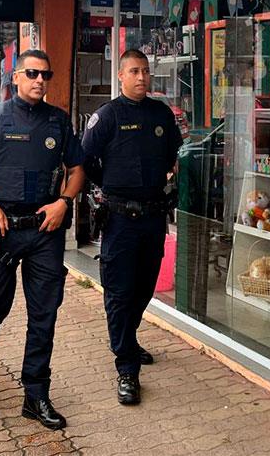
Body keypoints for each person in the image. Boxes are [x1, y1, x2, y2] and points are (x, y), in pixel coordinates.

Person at [0, 49, 85, 430]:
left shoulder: (59, 122)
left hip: (45, 231)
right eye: (32, 73)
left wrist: (65, 202)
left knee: (44, 314)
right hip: (3, 230)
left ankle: (36, 395)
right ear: (16, 77)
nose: (39, 81)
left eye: (45, 75)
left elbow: (77, 169)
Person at [81, 49, 183, 405]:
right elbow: (84, 159)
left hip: (154, 217)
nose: (141, 77)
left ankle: (129, 339)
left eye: (145, 71)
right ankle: (126, 367)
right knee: (120, 291)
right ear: (121, 76)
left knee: (143, 287)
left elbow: (174, 155)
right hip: (121, 219)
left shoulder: (161, 114)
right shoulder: (106, 117)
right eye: (134, 71)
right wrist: (108, 186)